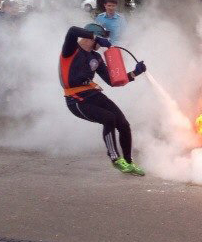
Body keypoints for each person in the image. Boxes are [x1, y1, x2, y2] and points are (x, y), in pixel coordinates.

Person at [60, 23, 147, 176]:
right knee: (109, 118)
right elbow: (72, 31)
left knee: (124, 124)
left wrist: (135, 73)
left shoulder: (96, 58)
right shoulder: (71, 50)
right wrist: (94, 36)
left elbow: (113, 81)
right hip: (75, 100)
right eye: (100, 39)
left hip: (93, 94)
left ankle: (128, 162)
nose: (101, 45)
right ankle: (115, 159)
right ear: (91, 37)